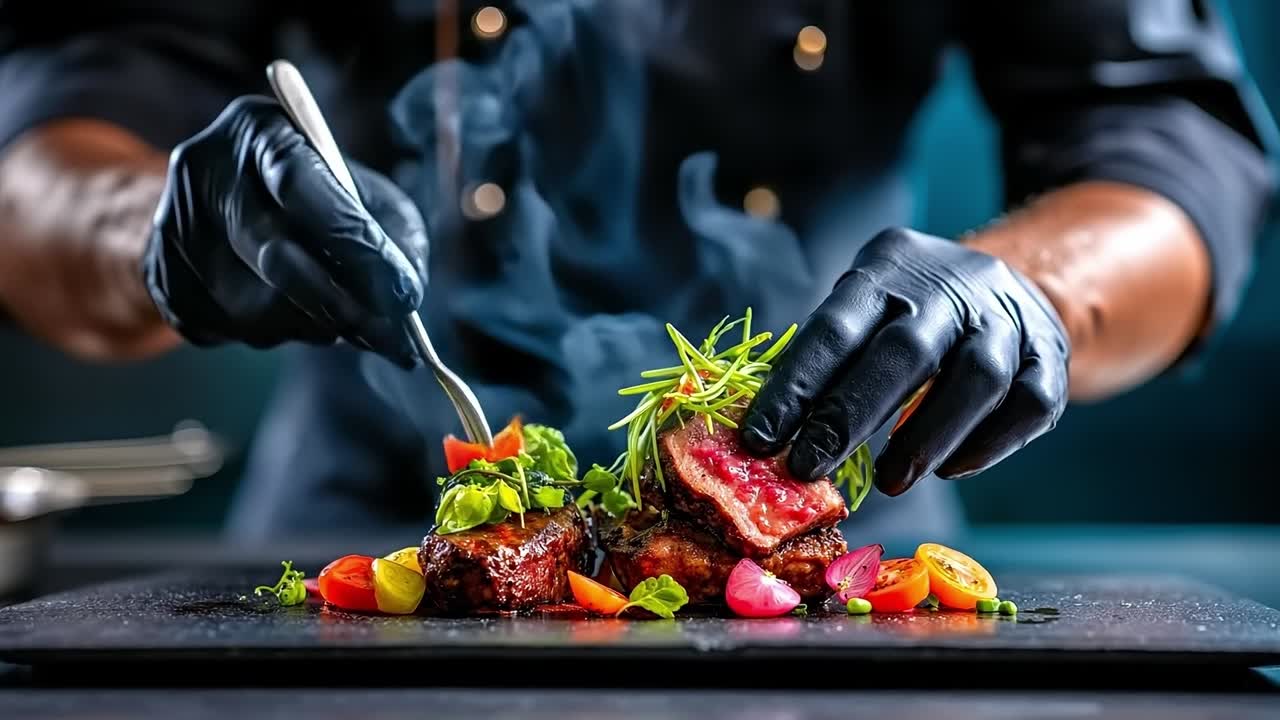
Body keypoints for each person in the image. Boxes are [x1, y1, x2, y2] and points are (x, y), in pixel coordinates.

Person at [0, 1, 1273, 543]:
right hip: (355, 541)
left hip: (842, 565)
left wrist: (1031, 293)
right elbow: (58, 126)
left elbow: (1166, 142)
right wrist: (151, 231)